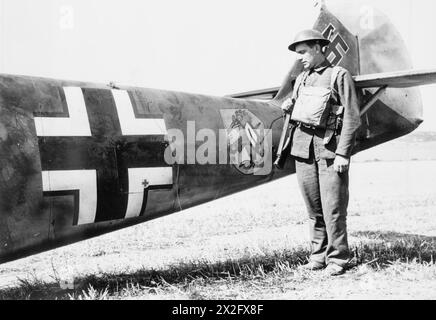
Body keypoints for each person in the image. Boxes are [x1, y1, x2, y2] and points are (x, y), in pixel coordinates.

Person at [281, 29, 361, 276]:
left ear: (318, 47)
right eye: (298, 54)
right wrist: (289, 105)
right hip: (303, 151)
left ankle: (338, 259)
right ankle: (318, 257)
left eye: (303, 52)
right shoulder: (303, 78)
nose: (300, 58)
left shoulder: (339, 75)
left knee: (333, 208)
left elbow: (352, 117)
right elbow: (300, 110)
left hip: (329, 150)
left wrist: (343, 153)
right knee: (314, 208)